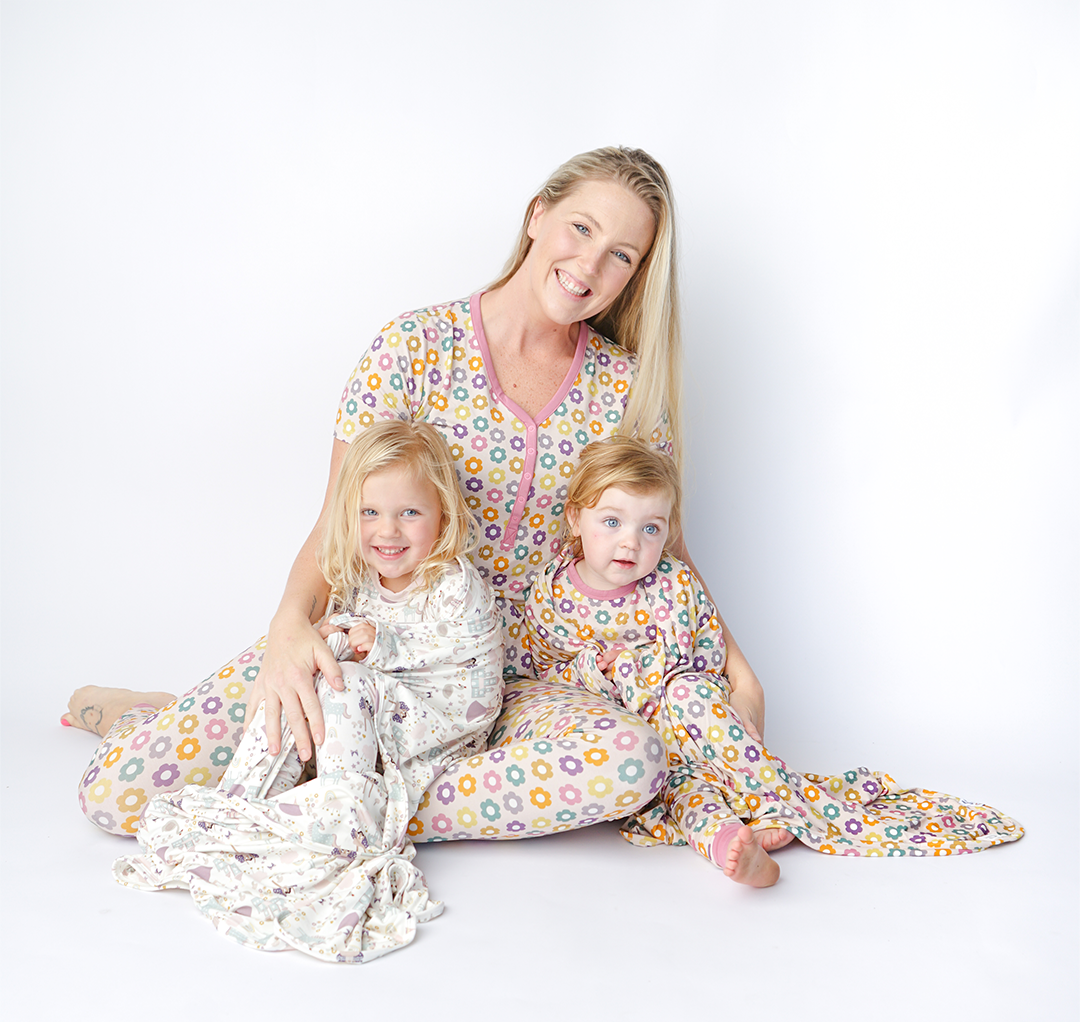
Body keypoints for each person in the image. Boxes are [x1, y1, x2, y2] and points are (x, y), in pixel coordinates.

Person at [67, 145, 765, 845]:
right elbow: (336, 521)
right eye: (581, 229)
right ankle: (161, 720)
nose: (589, 264)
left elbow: (665, 548)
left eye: (621, 254)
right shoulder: (413, 348)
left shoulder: (627, 388)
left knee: (632, 762)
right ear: (537, 216)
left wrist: (739, 670)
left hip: (530, 680)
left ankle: (344, 800)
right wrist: (288, 628)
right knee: (118, 795)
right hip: (377, 652)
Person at [524, 437, 1023, 886]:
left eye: (650, 528)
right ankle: (728, 847)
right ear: (575, 519)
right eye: (611, 522)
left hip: (692, 723)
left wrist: (642, 668)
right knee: (684, 794)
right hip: (637, 738)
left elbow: (701, 654)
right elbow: (545, 673)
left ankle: (771, 804)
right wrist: (598, 670)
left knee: (691, 692)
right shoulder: (549, 591)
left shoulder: (673, 583)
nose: (630, 541)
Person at [113, 420, 504, 961]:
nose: (387, 531)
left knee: (346, 683)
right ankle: (241, 801)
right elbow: (342, 638)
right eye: (370, 513)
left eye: (409, 513)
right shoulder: (361, 577)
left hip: (440, 719)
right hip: (382, 705)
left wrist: (376, 644)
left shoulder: (455, 583)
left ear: (442, 516)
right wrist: (328, 644)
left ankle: (342, 808)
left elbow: (466, 675)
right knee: (306, 674)